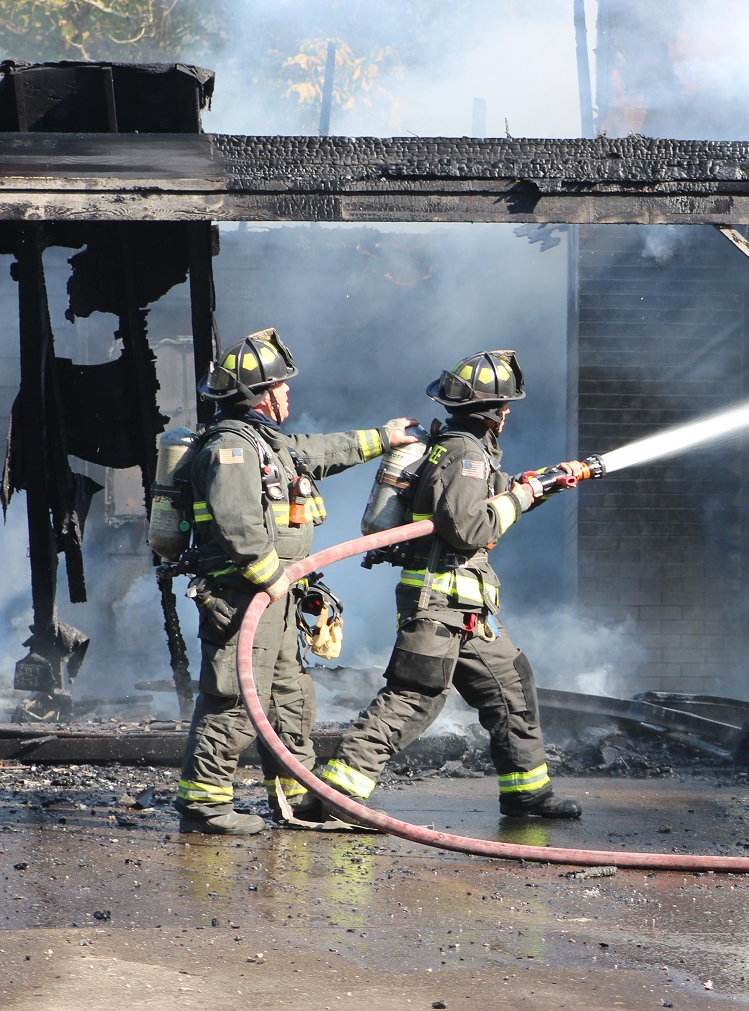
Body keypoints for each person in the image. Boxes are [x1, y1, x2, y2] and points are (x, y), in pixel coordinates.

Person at [318, 350, 583, 819]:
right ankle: (335, 796)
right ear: (489, 411)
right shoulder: (465, 455)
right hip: (438, 608)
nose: (508, 413)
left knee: (512, 686)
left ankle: (526, 791)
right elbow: (467, 527)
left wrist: (542, 484)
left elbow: (493, 499)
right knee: (413, 698)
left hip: (467, 612)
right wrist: (522, 496)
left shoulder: (462, 451)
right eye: (504, 405)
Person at [175, 328, 419, 835]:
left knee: (289, 697)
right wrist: (272, 579)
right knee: (234, 698)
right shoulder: (231, 448)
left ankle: (297, 798)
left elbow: (319, 450)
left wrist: (384, 438)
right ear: (259, 393)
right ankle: (205, 805)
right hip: (245, 596)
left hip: (275, 597)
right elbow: (239, 526)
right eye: (281, 384)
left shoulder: (268, 444)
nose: (288, 391)